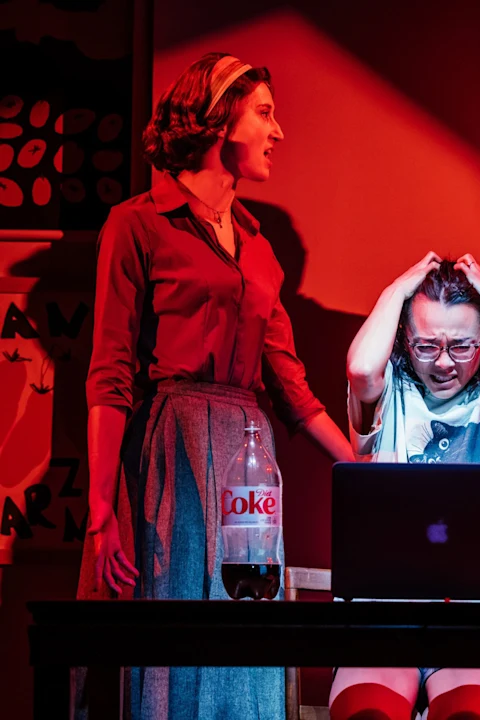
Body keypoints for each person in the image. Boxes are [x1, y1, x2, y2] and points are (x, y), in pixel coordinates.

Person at [78, 52, 354, 719]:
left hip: (248, 456)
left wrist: (364, 469)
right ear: (217, 119)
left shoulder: (258, 247)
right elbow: (110, 372)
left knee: (245, 644)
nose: (278, 133)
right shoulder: (138, 224)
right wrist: (101, 506)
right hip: (171, 451)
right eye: (263, 114)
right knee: (173, 638)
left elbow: (291, 384)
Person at [333, 253, 480, 720]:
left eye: (462, 346)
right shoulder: (388, 392)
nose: (445, 362)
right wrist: (398, 289)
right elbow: (361, 369)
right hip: (383, 613)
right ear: (404, 342)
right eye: (427, 345)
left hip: (476, 618)